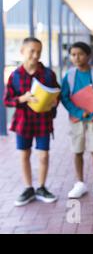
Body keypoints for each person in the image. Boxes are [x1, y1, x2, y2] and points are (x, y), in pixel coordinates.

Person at [3, 37, 59, 206]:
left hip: (43, 121)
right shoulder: (15, 76)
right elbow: (7, 100)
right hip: (23, 122)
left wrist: (53, 101)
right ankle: (28, 188)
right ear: (22, 51)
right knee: (24, 155)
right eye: (32, 51)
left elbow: (57, 94)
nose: (35, 55)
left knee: (43, 156)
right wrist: (22, 98)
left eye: (39, 52)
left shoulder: (48, 74)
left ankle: (41, 187)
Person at [60, 42, 93, 199]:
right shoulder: (69, 76)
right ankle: (80, 183)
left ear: (88, 56)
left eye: (80, 54)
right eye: (73, 54)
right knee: (77, 151)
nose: (76, 57)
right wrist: (77, 112)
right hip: (77, 120)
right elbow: (64, 97)